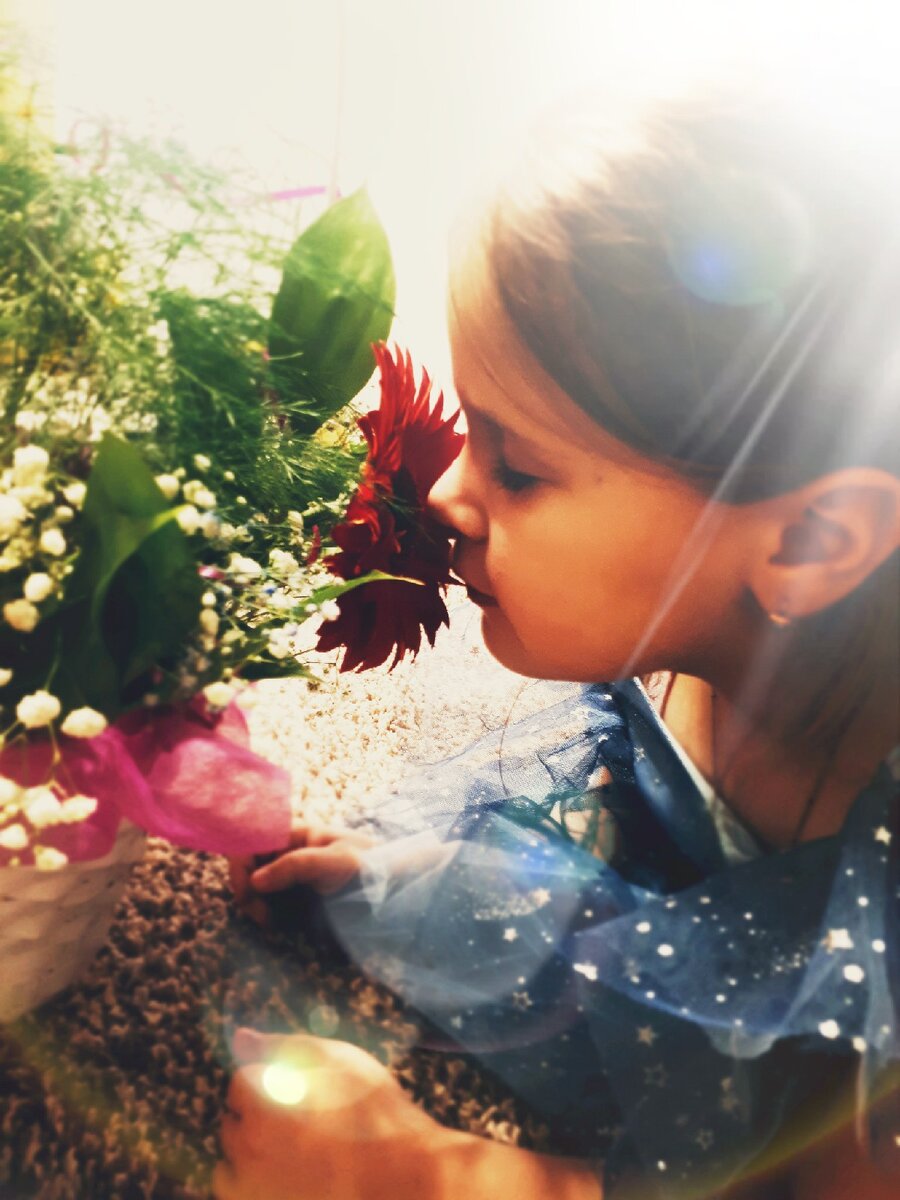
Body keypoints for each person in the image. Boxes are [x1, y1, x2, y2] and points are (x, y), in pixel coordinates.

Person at [215, 79, 899, 1200]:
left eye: (519, 467)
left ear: (812, 542)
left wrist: (431, 1175)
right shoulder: (688, 640)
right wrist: (409, 883)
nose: (446, 492)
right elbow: (643, 869)